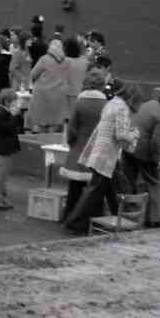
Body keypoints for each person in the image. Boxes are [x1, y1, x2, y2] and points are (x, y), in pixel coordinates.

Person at [62, 79, 139, 233]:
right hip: (107, 156)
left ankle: (120, 219)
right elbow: (121, 134)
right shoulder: (122, 108)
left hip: (98, 152)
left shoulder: (111, 104)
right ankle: (74, 222)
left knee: (104, 190)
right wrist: (134, 134)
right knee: (93, 193)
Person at [122, 86, 160, 227]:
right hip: (144, 151)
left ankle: (128, 213)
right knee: (154, 183)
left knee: (130, 181)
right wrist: (158, 160)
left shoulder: (150, 104)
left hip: (129, 146)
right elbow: (155, 142)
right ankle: (154, 219)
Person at [62, 70, 107, 220]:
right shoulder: (106, 105)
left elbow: (71, 130)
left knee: (74, 188)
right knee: (94, 190)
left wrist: (72, 144)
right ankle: (90, 218)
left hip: (79, 150)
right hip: (98, 151)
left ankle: (69, 216)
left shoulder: (79, 103)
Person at [0, 88, 23, 209]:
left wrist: (17, 115)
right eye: (14, 101)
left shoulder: (6, 113)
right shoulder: (0, 114)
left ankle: (2, 198)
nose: (16, 104)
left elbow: (18, 125)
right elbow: (8, 128)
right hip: (2, 149)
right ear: (7, 102)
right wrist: (14, 116)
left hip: (7, 148)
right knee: (0, 175)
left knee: (4, 175)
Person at [28, 39, 70, 133]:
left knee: (40, 123)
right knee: (54, 124)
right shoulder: (67, 61)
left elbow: (33, 74)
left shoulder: (44, 59)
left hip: (42, 95)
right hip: (59, 95)